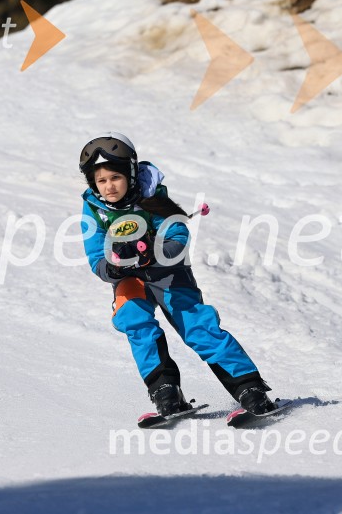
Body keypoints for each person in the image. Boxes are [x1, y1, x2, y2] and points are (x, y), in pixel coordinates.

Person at [78, 132, 277, 417]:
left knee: (197, 325)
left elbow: (178, 235)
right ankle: (165, 391)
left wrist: (154, 252)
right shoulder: (94, 210)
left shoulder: (151, 196)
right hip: (128, 278)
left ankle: (249, 387)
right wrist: (112, 267)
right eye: (102, 180)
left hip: (167, 274)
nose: (109, 187)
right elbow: (96, 255)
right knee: (135, 322)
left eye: (115, 178)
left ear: (131, 174)